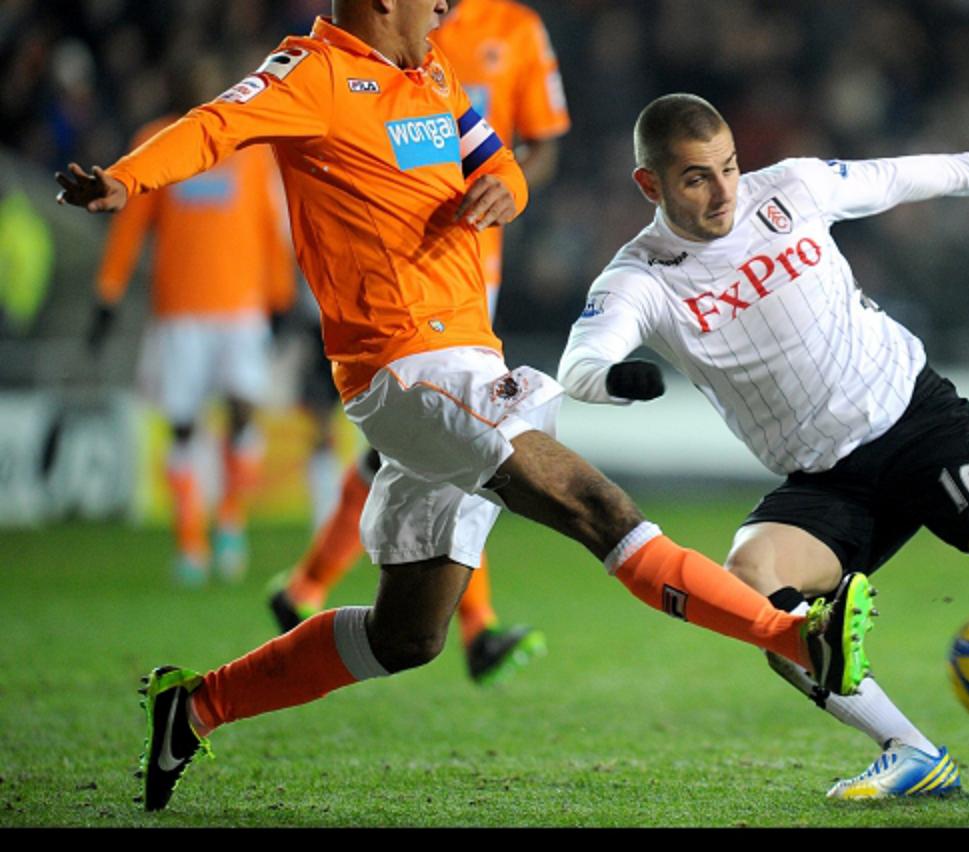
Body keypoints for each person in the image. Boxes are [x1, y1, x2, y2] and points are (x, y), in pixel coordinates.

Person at [56, 2, 865, 812]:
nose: (446, 4)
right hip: (404, 366)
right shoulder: (314, 75)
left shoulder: (433, 75)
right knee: (595, 505)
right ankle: (795, 634)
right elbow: (211, 127)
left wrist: (503, 192)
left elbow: (499, 161)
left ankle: (195, 707)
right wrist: (125, 179)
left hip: (464, 358)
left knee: (406, 636)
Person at [557, 93, 969, 799]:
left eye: (729, 166)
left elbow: (896, 178)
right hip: (824, 477)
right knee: (755, 593)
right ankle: (912, 752)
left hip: (917, 420)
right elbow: (579, 364)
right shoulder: (640, 277)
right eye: (697, 177)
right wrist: (614, 380)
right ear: (649, 185)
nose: (725, 190)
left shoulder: (789, 188)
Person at [269, 0, 574, 688]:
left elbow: (541, 146)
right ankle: (475, 625)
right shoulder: (384, 37)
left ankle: (310, 588)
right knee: (462, 447)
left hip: (473, 266)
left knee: (444, 448)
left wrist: (505, 182)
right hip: (400, 275)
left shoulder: (515, 31)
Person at [91, 92, 294, 585]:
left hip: (242, 305)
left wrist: (281, 293)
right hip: (180, 310)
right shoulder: (154, 141)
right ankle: (190, 541)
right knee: (182, 424)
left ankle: (229, 516)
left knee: (243, 408)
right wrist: (108, 292)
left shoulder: (248, 142)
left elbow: (270, 223)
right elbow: (131, 225)